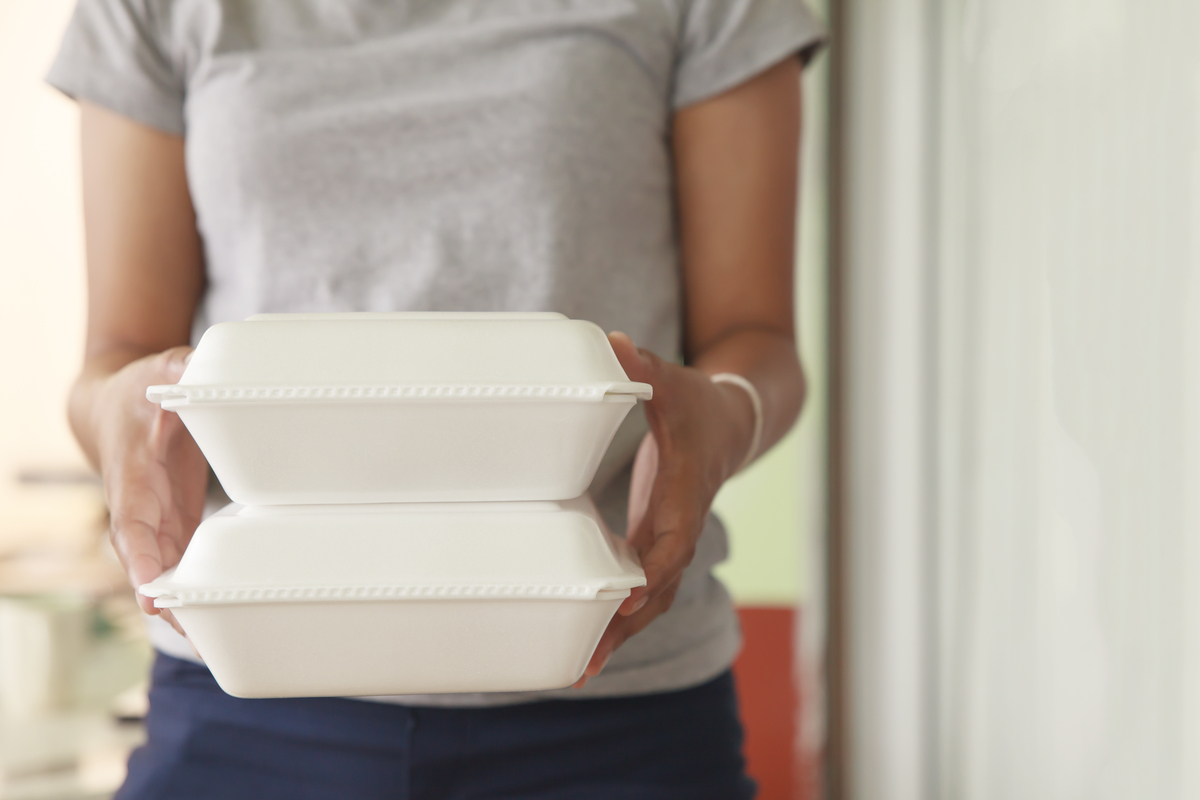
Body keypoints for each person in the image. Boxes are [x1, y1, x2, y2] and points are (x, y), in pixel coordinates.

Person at [48, 1, 825, 797]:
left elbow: (755, 337)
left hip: (616, 708)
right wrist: (118, 415)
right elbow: (118, 358)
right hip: (251, 691)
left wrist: (725, 415)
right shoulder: (148, 11)